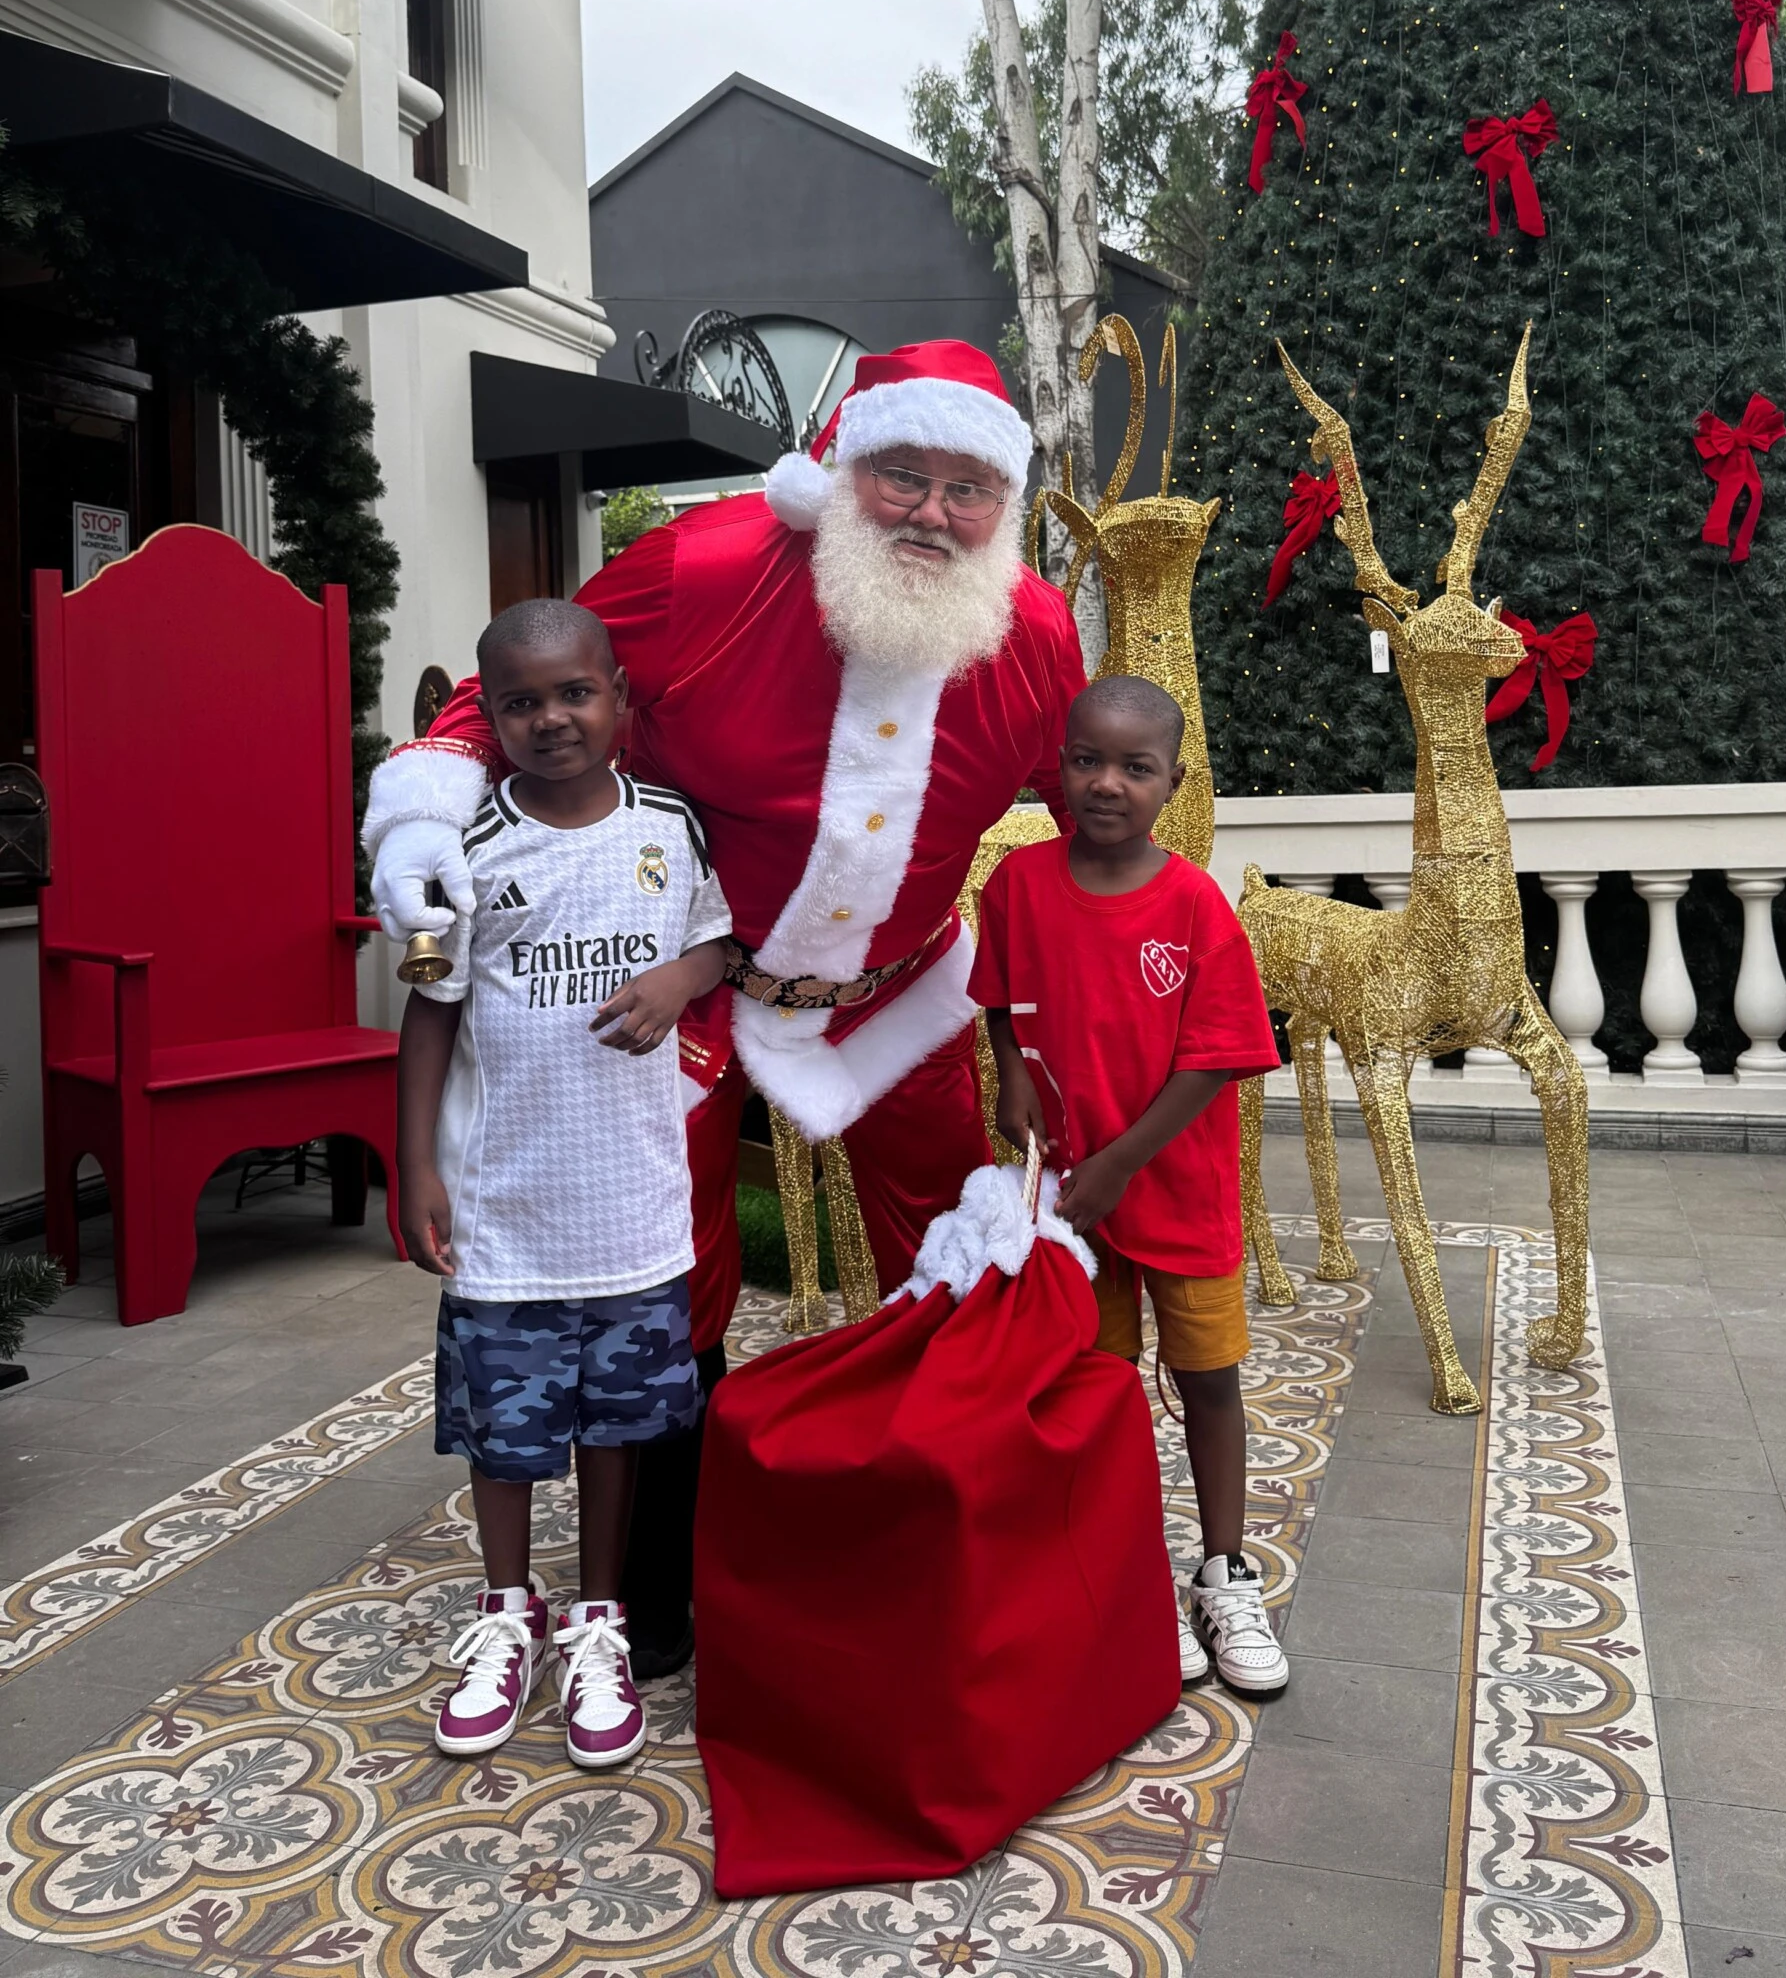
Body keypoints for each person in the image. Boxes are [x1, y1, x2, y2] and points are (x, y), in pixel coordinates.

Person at [363, 341, 1085, 1671]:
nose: (932, 512)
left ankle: (936, 1544)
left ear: (1008, 505)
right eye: (902, 475)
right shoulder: (703, 572)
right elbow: (508, 696)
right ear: (839, 469)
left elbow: (1084, 833)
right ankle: (644, 1599)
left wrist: (1036, 1033)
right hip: (688, 991)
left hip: (900, 1002)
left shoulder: (1032, 637)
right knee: (673, 1275)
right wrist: (420, 815)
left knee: (951, 1261)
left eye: (968, 487)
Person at [396, 598, 733, 1767]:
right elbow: (428, 1009)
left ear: (621, 700)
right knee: (507, 1433)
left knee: (618, 1428)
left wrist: (679, 980)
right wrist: (417, 1164)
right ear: (489, 717)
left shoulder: (670, 826)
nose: (552, 718)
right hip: (505, 1213)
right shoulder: (462, 852)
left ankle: (597, 1620)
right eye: (523, 701)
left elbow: (723, 938)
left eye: (575, 693)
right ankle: (504, 1614)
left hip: (633, 1210)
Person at [971, 675, 1289, 1698]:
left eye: (1134, 767)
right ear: (1057, 765)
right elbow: (1004, 1002)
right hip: (1069, 1206)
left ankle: (1225, 1569)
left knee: (1208, 1379)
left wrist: (1118, 1162)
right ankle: (1128, 1569)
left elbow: (1219, 1055)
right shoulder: (1016, 886)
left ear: (1173, 783)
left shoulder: (1193, 903)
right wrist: (1015, 1074)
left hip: (1173, 1192)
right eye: (1086, 760)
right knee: (1100, 1389)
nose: (1105, 783)